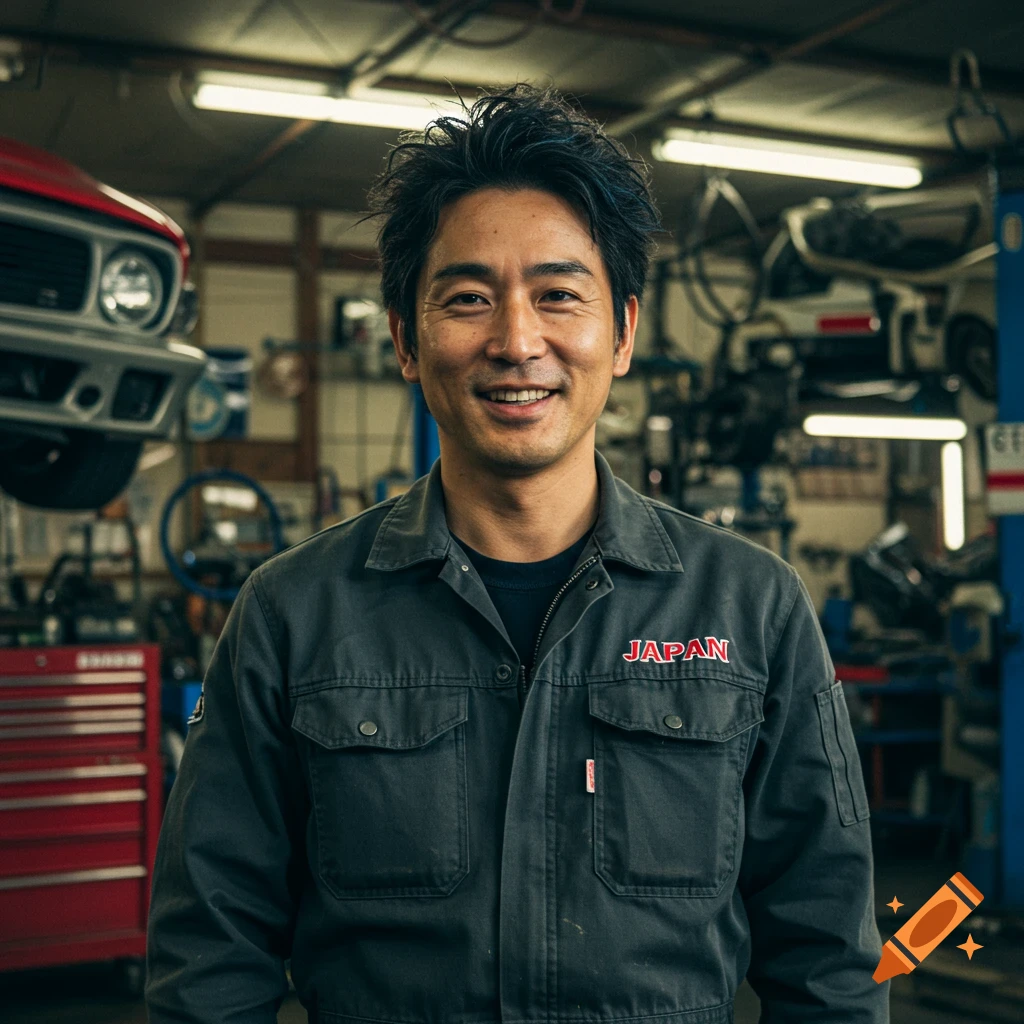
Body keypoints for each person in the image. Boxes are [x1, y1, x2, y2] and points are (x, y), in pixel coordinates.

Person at [146, 84, 887, 1024]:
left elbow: (828, 960)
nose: (516, 340)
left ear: (619, 334)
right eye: (467, 298)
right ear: (407, 342)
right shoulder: (294, 616)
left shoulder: (752, 610)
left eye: (558, 295)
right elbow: (209, 955)